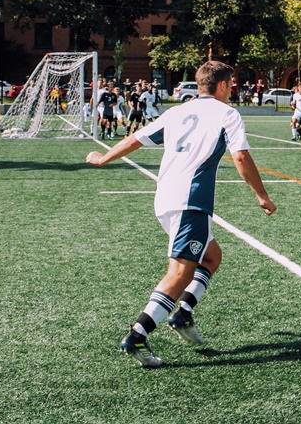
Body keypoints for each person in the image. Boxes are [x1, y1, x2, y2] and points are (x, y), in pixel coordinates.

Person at [86, 61, 276, 368]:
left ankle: (183, 314)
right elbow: (240, 156)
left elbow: (135, 139)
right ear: (224, 85)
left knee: (211, 256)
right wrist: (262, 195)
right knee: (179, 273)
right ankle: (137, 335)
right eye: (232, 85)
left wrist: (104, 158)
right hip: (191, 201)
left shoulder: (176, 112)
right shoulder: (227, 113)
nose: (233, 91)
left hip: (165, 198)